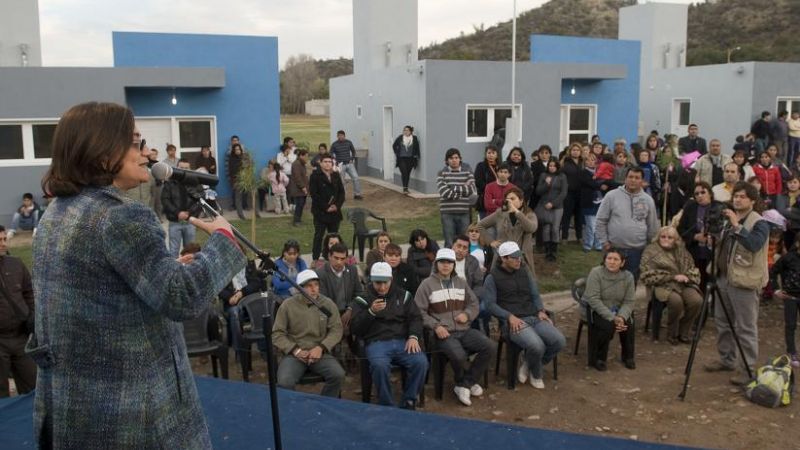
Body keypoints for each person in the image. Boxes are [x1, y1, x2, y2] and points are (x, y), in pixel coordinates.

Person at [30, 101, 245, 448]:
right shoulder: (121, 216)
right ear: (102, 154)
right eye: (135, 142)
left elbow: (99, 292)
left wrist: (168, 269)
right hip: (134, 416)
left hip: (78, 407)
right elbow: (182, 297)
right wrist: (223, 239)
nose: (146, 152)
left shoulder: (57, 212)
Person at [703, 182, 770, 386]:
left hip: (745, 281)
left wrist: (736, 225)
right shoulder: (728, 219)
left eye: (742, 197)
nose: (737, 200)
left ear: (752, 200)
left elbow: (753, 245)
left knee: (745, 327)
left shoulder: (760, 223)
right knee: (723, 322)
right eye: (736, 196)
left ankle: (747, 369)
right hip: (724, 276)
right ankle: (727, 359)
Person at [414, 249, 496, 406]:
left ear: (453, 265)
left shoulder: (461, 282)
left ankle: (465, 383)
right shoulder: (426, 285)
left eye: (449, 262)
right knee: (459, 355)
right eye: (442, 262)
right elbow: (418, 311)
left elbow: (474, 303)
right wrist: (436, 326)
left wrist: (467, 314)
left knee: (489, 346)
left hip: (464, 330)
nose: (446, 265)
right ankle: (464, 382)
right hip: (443, 333)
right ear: (436, 264)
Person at [484, 241, 565, 388]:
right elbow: (490, 305)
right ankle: (537, 374)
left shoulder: (524, 272)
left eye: (519, 256)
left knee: (559, 341)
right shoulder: (492, 278)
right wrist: (509, 317)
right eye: (514, 257)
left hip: (533, 316)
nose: (518, 260)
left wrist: (540, 310)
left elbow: (535, 294)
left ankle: (529, 363)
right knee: (537, 346)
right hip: (513, 322)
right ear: (503, 258)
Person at [351, 262, 429, 409]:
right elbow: (355, 328)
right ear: (371, 280)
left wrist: (413, 336)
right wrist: (371, 312)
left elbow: (416, 318)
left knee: (421, 362)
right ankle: (387, 404)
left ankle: (409, 400)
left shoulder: (404, 295)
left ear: (391, 279)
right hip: (376, 342)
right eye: (377, 283)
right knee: (379, 365)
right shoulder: (363, 299)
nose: (382, 287)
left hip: (402, 341)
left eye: (385, 282)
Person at [272, 269, 345, 397]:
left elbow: (336, 329)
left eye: (316, 284)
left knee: (338, 375)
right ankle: (291, 406)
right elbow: (277, 334)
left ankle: (324, 404)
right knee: (284, 382)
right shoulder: (287, 305)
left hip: (320, 353)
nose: (314, 289)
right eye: (309, 286)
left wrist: (321, 348)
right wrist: (295, 350)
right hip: (295, 353)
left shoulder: (327, 304)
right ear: (299, 288)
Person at [596, 167, 660, 283]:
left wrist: (650, 247)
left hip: (637, 251)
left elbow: (652, 226)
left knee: (630, 283)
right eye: (630, 177)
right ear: (625, 179)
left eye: (637, 178)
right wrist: (604, 242)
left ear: (642, 181)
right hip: (613, 248)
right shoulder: (611, 196)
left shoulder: (648, 200)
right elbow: (601, 220)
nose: (633, 180)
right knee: (609, 283)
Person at [640, 226, 703, 344]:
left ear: (675, 239)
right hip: (662, 285)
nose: (666, 239)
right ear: (658, 237)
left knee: (696, 300)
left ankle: (684, 331)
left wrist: (687, 276)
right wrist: (671, 276)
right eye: (663, 237)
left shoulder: (681, 250)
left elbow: (692, 267)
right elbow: (646, 274)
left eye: (670, 237)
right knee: (676, 301)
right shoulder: (651, 251)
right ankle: (672, 333)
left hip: (683, 284)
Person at [583, 249, 636, 371]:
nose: (612, 262)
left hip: (619, 310)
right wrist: (612, 317)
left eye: (616, 259)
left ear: (622, 263)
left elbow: (629, 301)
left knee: (628, 324)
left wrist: (621, 317)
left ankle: (628, 357)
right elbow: (593, 299)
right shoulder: (596, 273)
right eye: (609, 258)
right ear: (604, 260)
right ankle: (599, 358)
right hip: (599, 309)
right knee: (607, 326)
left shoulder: (628, 276)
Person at [0, 225, 36, 397]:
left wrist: (32, 315)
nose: (3, 244)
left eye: (4, 239)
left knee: (33, 387)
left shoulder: (16, 264)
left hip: (21, 337)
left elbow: (29, 293)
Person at [477, 186, 538, 278]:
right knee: (499, 283)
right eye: (507, 199)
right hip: (503, 258)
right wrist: (491, 241)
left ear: (521, 201)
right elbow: (480, 225)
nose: (509, 202)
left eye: (513, 199)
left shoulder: (529, 215)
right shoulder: (500, 214)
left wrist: (517, 212)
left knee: (528, 285)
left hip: (522, 258)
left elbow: (531, 228)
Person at [676, 181, 720, 295]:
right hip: (695, 253)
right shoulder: (690, 207)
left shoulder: (719, 207)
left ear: (710, 193)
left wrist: (713, 238)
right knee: (698, 284)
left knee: (713, 282)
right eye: (697, 194)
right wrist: (695, 236)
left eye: (703, 192)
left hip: (714, 254)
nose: (700, 195)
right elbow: (681, 229)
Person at [316, 242, 365, 333]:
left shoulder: (352, 270)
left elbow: (359, 293)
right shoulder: (321, 274)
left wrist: (350, 310)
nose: (339, 262)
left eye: (342, 259)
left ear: (346, 259)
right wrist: (338, 318)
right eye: (336, 258)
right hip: (330, 313)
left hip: (349, 310)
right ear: (329, 256)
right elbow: (323, 300)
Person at [438, 148, 477, 247]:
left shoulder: (467, 172)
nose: (454, 160)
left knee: (464, 242)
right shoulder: (442, 173)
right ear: (447, 160)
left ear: (460, 159)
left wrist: (453, 187)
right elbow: (444, 193)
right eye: (451, 158)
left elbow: (471, 190)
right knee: (449, 242)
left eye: (456, 157)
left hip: (464, 212)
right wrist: (463, 190)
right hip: (447, 213)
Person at [770, 235, 800, 367]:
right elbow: (773, 271)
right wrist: (776, 290)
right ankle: (792, 352)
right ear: (797, 244)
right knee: (790, 325)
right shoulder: (788, 258)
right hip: (790, 297)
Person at [309, 154, 345, 261]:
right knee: (319, 236)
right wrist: (326, 207)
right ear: (320, 163)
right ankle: (315, 259)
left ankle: (333, 257)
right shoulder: (315, 176)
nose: (328, 164)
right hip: (321, 212)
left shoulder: (336, 175)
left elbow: (341, 193)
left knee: (334, 238)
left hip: (334, 212)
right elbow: (314, 194)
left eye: (330, 162)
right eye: (325, 161)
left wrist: (336, 206)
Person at [160, 158, 198, 257]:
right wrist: (177, 213)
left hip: (190, 222)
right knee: (173, 251)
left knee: (190, 251)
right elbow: (165, 200)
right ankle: (174, 267)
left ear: (190, 169)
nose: (184, 170)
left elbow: (199, 199)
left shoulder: (194, 183)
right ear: (177, 168)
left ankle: (189, 267)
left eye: (186, 168)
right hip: (174, 222)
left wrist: (189, 213)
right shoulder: (170, 183)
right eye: (181, 168)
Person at [535, 159, 568, 262]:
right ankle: (547, 251)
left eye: (554, 166)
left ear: (557, 167)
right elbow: (538, 191)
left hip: (557, 206)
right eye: (550, 166)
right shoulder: (543, 175)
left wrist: (553, 203)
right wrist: (546, 184)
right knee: (546, 228)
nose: (552, 168)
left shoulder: (562, 176)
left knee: (555, 228)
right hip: (544, 205)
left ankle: (554, 251)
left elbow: (563, 193)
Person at [578, 152, 608, 252]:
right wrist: (600, 185)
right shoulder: (583, 173)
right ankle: (588, 245)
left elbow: (606, 182)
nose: (591, 162)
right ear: (585, 162)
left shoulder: (599, 172)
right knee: (590, 225)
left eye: (593, 159)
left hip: (600, 202)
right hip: (588, 202)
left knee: (599, 224)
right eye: (589, 160)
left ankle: (598, 245)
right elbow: (590, 183)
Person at [560, 143, 584, 242]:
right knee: (567, 215)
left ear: (580, 152)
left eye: (577, 150)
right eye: (574, 150)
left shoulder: (583, 163)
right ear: (570, 151)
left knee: (579, 216)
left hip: (581, 193)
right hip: (569, 193)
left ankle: (579, 237)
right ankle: (564, 237)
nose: (575, 152)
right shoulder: (565, 163)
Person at [331, 130, 363, 200]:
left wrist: (352, 158)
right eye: (339, 136)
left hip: (349, 164)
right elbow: (331, 153)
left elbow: (353, 151)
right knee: (342, 181)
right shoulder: (334, 144)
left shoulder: (349, 142)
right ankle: (343, 196)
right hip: (340, 165)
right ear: (337, 136)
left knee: (356, 178)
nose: (340, 137)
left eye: (341, 135)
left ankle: (357, 194)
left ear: (344, 136)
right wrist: (334, 160)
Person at [392, 125, 421, 193]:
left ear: (410, 131)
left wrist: (417, 156)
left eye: (407, 130)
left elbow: (417, 148)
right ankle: (405, 188)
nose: (405, 131)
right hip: (401, 158)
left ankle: (406, 188)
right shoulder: (400, 137)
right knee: (404, 172)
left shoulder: (414, 138)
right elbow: (394, 145)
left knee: (408, 173)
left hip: (410, 159)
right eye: (404, 130)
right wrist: (397, 153)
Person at [474, 146, 500, 219]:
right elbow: (478, 182)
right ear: (485, 154)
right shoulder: (481, 166)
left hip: (498, 199)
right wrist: (491, 190)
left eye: (493, 153)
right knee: (485, 223)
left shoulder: (500, 166)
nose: (491, 155)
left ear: (497, 155)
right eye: (489, 153)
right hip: (484, 198)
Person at [226, 143, 250, 220]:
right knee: (238, 197)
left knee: (245, 195)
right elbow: (232, 170)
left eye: (238, 149)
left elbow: (248, 167)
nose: (237, 151)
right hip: (236, 180)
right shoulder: (232, 159)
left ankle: (247, 209)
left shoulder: (244, 157)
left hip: (245, 180)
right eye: (236, 150)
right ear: (233, 151)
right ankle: (240, 214)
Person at [289, 148, 311, 226]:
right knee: (299, 205)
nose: (307, 158)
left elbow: (304, 176)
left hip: (302, 189)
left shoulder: (302, 164)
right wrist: (303, 187)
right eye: (306, 156)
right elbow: (297, 177)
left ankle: (298, 220)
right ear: (301, 156)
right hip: (298, 189)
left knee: (301, 205)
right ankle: (296, 221)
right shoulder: (296, 164)